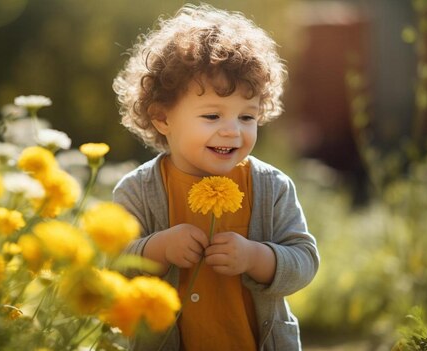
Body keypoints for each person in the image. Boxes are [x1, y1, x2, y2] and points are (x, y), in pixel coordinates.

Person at [112, 3, 319, 350]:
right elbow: (113, 268)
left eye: (247, 117)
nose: (232, 132)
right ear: (163, 118)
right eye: (212, 116)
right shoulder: (137, 191)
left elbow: (305, 261)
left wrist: (256, 257)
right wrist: (157, 249)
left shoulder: (272, 188)